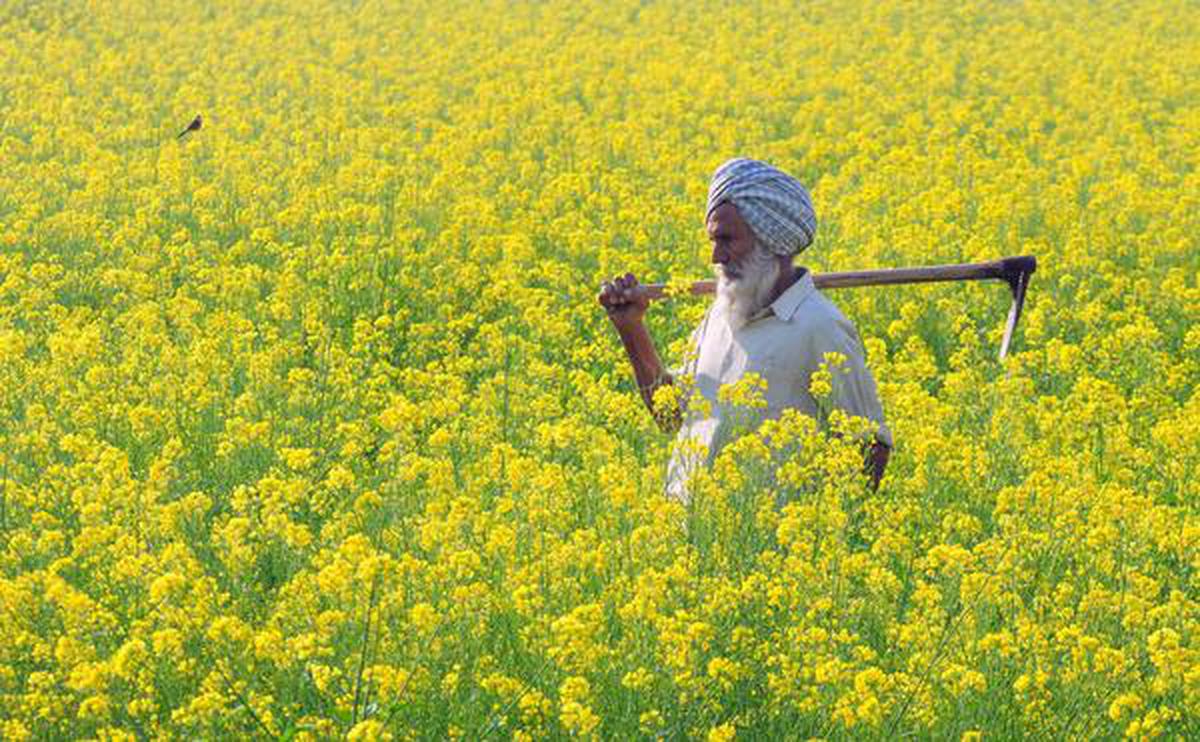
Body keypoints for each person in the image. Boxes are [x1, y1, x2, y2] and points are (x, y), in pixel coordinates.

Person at [598, 157, 891, 504]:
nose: (715, 256)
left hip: (769, 548)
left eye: (727, 239)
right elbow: (671, 416)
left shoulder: (819, 327)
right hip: (689, 540)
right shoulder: (720, 315)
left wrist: (824, 533)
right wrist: (630, 328)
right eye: (712, 240)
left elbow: (870, 447)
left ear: (772, 242)